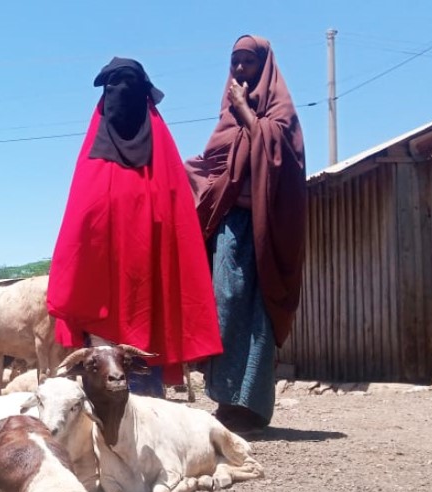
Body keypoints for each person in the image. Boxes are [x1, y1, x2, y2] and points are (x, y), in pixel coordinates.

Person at [48, 57, 223, 396]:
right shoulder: (93, 163)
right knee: (102, 391)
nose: (120, 93)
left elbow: (178, 235)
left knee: (144, 398)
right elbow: (77, 232)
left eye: (128, 85)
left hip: (148, 298)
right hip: (100, 298)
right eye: (113, 86)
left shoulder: (165, 167)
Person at [185, 35, 307, 433]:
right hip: (231, 228)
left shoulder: (281, 112)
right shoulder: (226, 116)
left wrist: (246, 111)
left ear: (264, 66)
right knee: (226, 303)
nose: (239, 70)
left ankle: (252, 408)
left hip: (266, 230)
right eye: (234, 63)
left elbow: (280, 160)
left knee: (258, 312)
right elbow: (215, 165)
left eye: (247, 63)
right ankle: (225, 399)